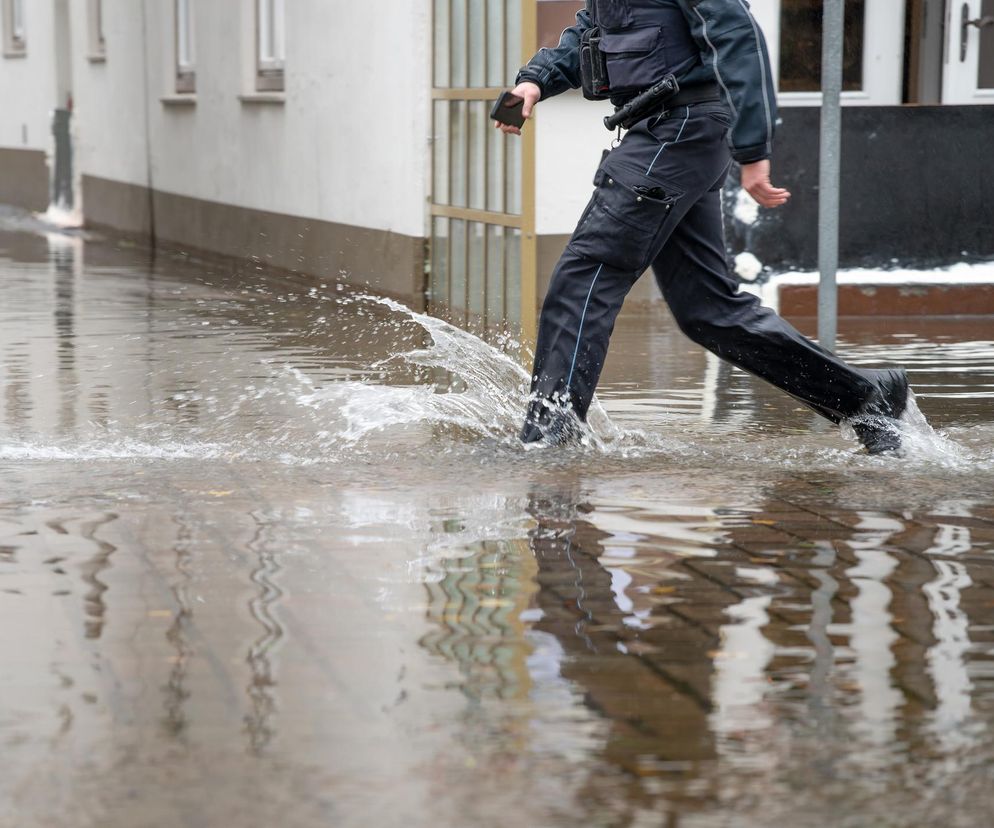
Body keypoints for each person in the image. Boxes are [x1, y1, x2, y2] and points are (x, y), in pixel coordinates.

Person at [494, 0, 909, 454]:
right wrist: (534, 82)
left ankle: (547, 440)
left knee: (585, 276)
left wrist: (754, 151)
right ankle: (863, 397)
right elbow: (592, 32)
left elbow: (737, 38)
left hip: (679, 129)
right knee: (707, 309)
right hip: (662, 132)